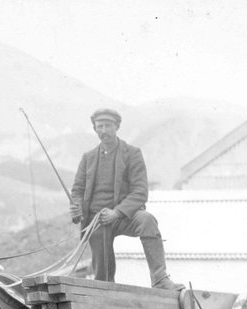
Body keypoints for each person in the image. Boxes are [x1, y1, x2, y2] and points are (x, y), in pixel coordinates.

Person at [70, 108, 182, 289]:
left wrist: (116, 213)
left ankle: (160, 279)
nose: (104, 130)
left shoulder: (132, 153)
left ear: (117, 127)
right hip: (97, 221)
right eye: (100, 127)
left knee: (147, 220)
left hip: (124, 217)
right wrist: (76, 208)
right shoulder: (87, 158)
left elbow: (140, 191)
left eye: (108, 126)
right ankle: (105, 292)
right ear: (95, 129)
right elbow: (77, 190)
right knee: (103, 280)